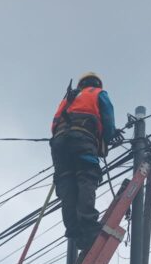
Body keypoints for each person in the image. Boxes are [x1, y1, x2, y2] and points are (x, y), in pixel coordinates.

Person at [50, 72, 123, 251]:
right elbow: (107, 118)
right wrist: (109, 136)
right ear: (97, 84)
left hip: (59, 145)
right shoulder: (97, 93)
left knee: (67, 185)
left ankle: (74, 231)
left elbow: (54, 126)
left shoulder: (68, 99)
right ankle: (89, 227)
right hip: (81, 140)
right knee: (86, 178)